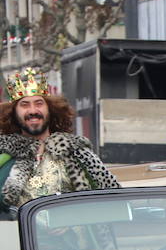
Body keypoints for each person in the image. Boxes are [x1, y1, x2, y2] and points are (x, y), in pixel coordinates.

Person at [0, 66, 120, 211]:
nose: (33, 111)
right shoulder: (4, 159)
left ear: (50, 109)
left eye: (39, 103)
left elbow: (113, 202)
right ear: (13, 113)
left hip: (74, 232)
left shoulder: (78, 154)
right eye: (24, 105)